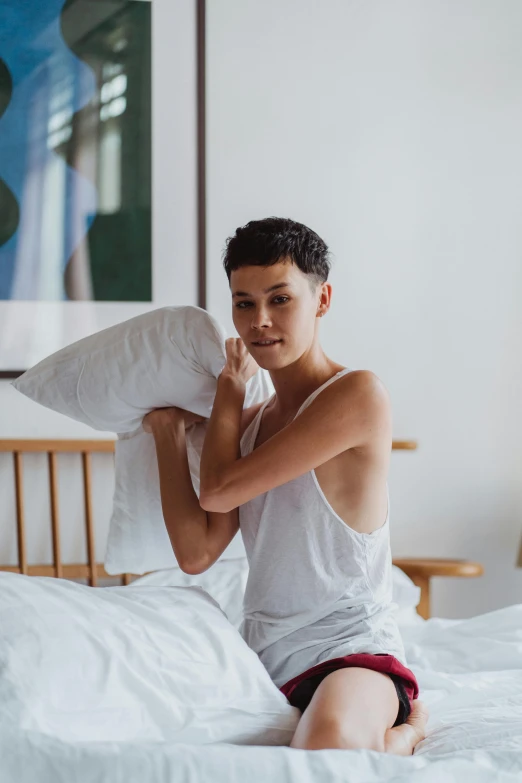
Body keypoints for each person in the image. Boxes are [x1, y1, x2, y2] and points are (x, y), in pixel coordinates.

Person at [143, 216, 429, 754]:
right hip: (263, 660)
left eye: (280, 299)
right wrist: (167, 436)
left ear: (321, 300)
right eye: (244, 303)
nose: (260, 321)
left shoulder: (357, 395)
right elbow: (196, 552)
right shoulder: (248, 428)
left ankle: (410, 726)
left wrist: (228, 390)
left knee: (326, 752)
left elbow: (218, 491)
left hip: (349, 651)